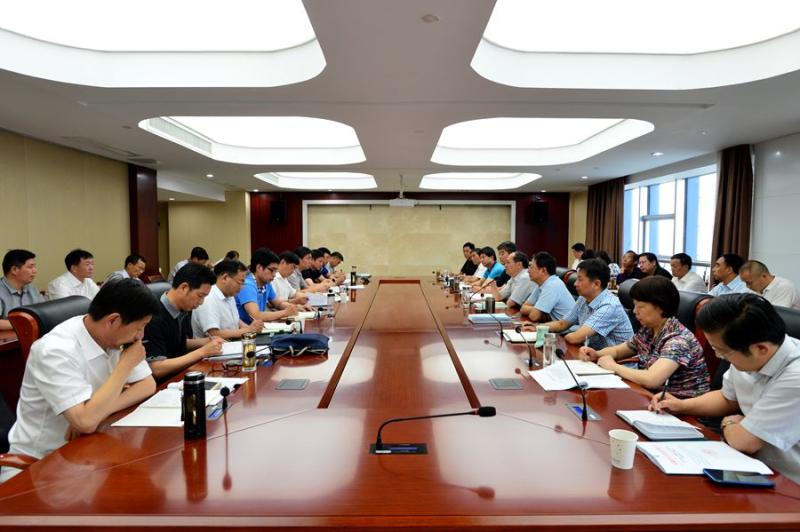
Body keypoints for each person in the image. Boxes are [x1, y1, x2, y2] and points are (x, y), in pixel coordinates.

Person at [0, 279, 159, 483]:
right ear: (113, 320)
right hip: (40, 467)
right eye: (140, 327)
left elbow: (147, 384)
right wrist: (125, 366)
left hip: (90, 451)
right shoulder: (55, 350)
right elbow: (85, 422)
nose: (141, 335)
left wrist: (99, 413)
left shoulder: (112, 337)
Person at [651, 294, 800, 484]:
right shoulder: (749, 352)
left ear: (761, 349)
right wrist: (682, 405)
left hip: (788, 481)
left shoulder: (795, 376)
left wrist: (728, 423)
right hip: (749, 465)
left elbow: (745, 441)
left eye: (722, 351)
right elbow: (727, 398)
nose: (718, 356)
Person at [579, 276, 710, 398]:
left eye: (640, 306)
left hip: (681, 407)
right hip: (652, 398)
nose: (635, 311)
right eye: (634, 305)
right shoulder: (649, 329)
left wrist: (612, 366)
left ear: (660, 307)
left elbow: (652, 379)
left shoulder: (679, 340)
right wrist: (596, 354)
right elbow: (618, 351)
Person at [143, 262, 224, 380]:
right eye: (200, 296)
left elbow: (175, 342)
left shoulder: (182, 308)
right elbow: (156, 368)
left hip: (182, 375)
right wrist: (202, 352)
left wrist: (205, 342)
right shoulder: (152, 317)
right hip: (164, 383)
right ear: (184, 288)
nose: (201, 302)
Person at [539, 259, 633, 349]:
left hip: (616, 359)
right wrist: (537, 328)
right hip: (593, 353)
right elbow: (562, 324)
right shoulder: (583, 298)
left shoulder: (610, 306)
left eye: (580, 280)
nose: (575, 284)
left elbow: (576, 338)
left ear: (596, 284)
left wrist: (563, 336)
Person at [191, 260, 264, 339]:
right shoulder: (209, 298)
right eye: (240, 282)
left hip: (232, 343)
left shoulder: (229, 295)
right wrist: (248, 330)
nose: (242, 287)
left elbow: (236, 321)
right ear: (225, 278)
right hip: (216, 345)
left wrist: (251, 328)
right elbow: (214, 334)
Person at [236, 249, 301, 324]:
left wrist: (294, 308)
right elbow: (256, 316)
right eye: (272, 270)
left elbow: (278, 303)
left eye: (276, 271)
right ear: (259, 268)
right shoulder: (247, 285)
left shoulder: (266, 283)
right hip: (247, 329)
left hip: (259, 327)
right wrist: (285, 313)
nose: (274, 275)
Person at [520, 251, 576, 323]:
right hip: (553, 325)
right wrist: (536, 309)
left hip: (567, 328)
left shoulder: (552, 285)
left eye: (531, 267)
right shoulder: (542, 284)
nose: (528, 271)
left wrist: (536, 310)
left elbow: (534, 316)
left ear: (543, 270)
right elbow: (523, 308)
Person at [0, 249, 43, 331]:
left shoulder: (31, 287)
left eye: (34, 266)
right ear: (14, 270)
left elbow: (43, 311)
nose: (35, 271)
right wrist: (26, 323)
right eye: (30, 267)